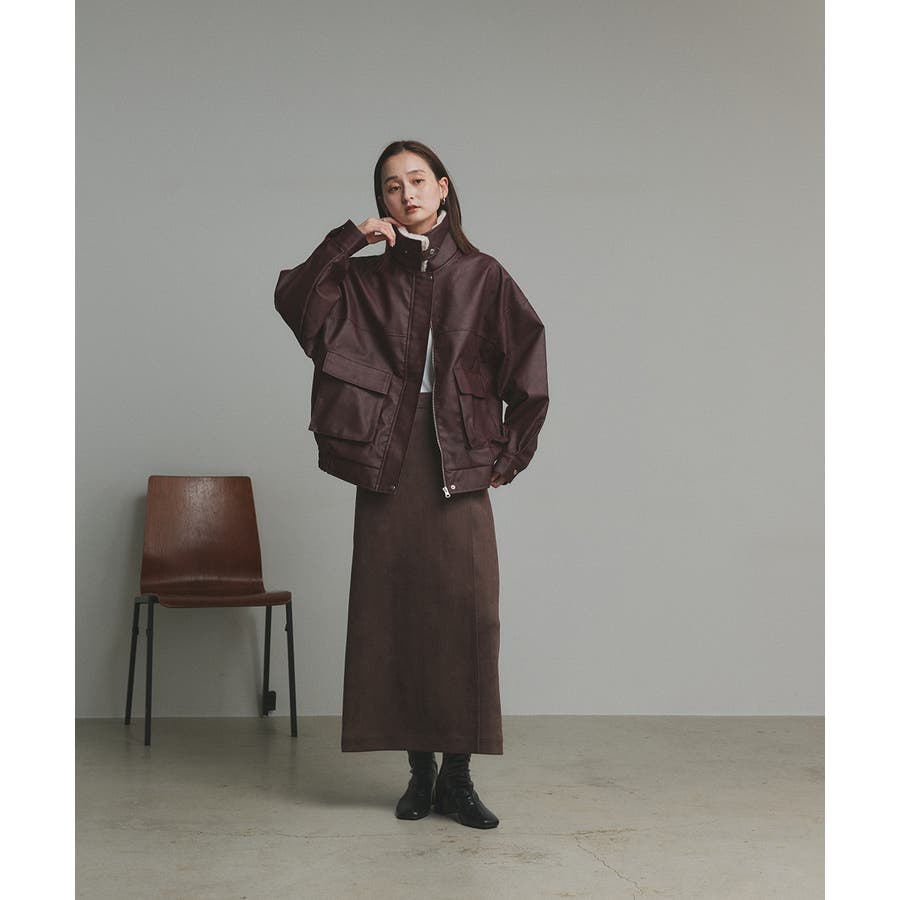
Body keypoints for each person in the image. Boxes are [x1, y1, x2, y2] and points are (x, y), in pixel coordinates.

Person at [274, 139, 549, 829]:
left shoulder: (484, 276)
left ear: (444, 188)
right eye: (392, 187)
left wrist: (508, 454)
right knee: (396, 617)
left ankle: (458, 777)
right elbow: (295, 300)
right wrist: (349, 240)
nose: (407, 194)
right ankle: (419, 774)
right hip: (387, 457)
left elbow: (529, 368)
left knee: (466, 617)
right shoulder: (363, 280)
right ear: (383, 203)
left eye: (418, 180)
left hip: (457, 457)